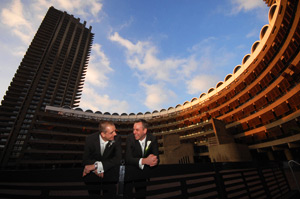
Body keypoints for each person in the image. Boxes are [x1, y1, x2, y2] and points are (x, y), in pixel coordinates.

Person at [82, 121, 122, 198]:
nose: (115, 134)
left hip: (109, 175)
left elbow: (118, 159)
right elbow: (85, 160)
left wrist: (97, 166)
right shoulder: (90, 139)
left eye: (115, 131)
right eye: (111, 132)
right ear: (103, 134)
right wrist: (96, 169)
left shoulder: (117, 139)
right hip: (93, 178)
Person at [125, 119, 159, 198]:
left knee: (141, 195)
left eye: (137, 130)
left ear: (145, 131)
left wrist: (154, 161)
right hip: (129, 172)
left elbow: (157, 157)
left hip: (142, 174)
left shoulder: (152, 139)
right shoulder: (130, 138)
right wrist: (145, 161)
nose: (134, 132)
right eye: (133, 129)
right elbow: (128, 158)